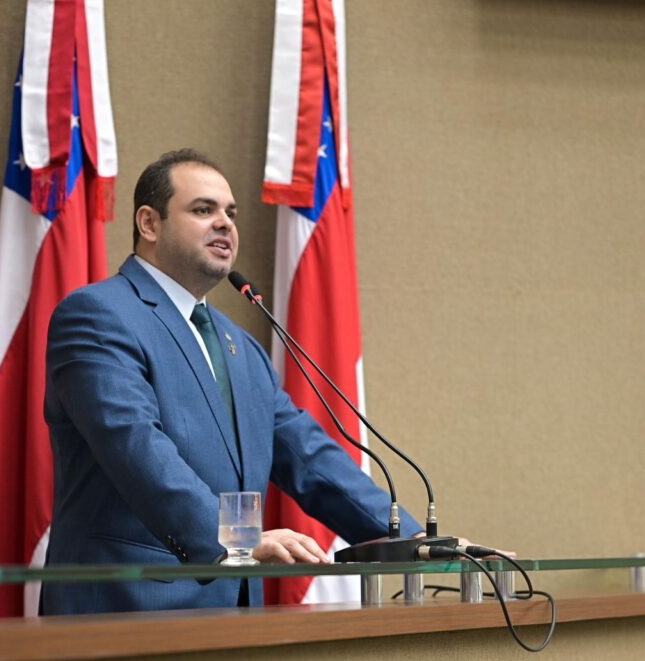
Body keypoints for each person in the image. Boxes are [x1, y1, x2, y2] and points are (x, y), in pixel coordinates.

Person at [39, 149, 421, 615]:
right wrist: (235, 539)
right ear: (149, 223)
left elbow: (308, 457)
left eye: (230, 214)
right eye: (204, 210)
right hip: (127, 607)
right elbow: (134, 445)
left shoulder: (239, 345)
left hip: (232, 614)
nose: (225, 223)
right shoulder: (98, 315)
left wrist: (413, 540)